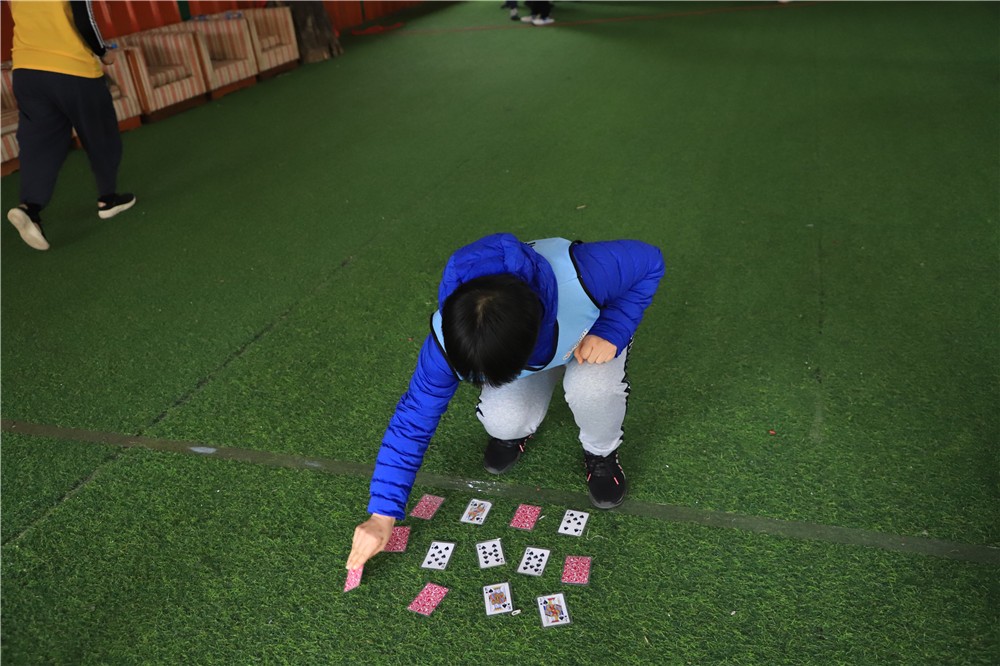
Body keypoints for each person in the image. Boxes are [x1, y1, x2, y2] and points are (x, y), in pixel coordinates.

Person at [346, 233, 664, 570]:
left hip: (590, 335)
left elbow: (650, 261)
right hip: (529, 352)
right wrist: (382, 514)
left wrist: (613, 329)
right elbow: (413, 420)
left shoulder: (586, 273)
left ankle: (601, 453)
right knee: (504, 419)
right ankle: (516, 430)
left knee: (591, 391)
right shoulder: (447, 340)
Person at [6, 0, 135, 252]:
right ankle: (108, 199)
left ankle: (30, 208)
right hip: (73, 69)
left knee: (40, 144)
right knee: (100, 133)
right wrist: (103, 52)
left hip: (26, 71)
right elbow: (85, 21)